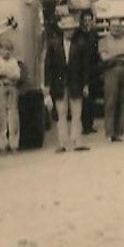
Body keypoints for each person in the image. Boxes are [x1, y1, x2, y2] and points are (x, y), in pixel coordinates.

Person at [44, 15, 93, 153]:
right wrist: (47, 85)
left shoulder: (81, 44)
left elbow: (85, 67)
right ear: (62, 30)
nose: (69, 32)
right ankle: (63, 143)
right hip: (59, 84)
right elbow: (48, 66)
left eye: (71, 29)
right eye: (66, 29)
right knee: (61, 114)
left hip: (76, 83)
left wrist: (85, 84)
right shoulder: (54, 45)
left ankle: (77, 142)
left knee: (77, 114)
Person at [99, 17, 124, 142]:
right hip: (111, 72)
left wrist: (115, 56)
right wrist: (121, 55)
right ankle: (109, 132)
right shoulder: (103, 41)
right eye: (114, 26)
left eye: (118, 26)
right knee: (111, 102)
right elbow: (105, 58)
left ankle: (119, 132)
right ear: (109, 27)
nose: (116, 28)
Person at [0, 37, 24, 153]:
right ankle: (2, 145)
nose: (6, 52)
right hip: (0, 88)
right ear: (0, 50)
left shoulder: (14, 61)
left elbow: (17, 75)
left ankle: (14, 144)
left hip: (12, 89)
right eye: (4, 49)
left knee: (13, 116)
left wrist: (6, 75)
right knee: (1, 117)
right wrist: (10, 75)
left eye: (9, 49)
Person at [76, 9, 101, 135]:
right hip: (81, 69)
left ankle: (90, 124)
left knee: (92, 98)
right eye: (85, 20)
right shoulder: (78, 34)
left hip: (93, 69)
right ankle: (85, 126)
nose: (87, 23)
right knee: (84, 98)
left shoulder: (94, 34)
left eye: (89, 20)